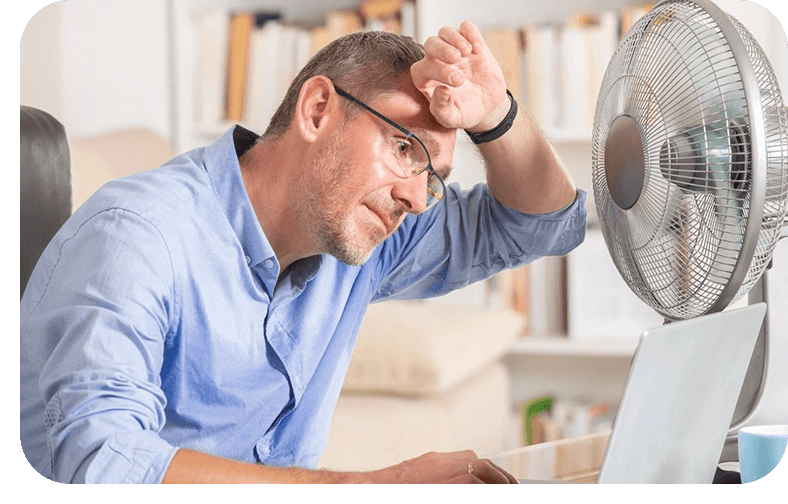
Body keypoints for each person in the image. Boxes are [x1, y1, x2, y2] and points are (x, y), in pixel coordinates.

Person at [20, 21, 585, 483]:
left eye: (432, 178)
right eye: (403, 147)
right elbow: (103, 462)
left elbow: (545, 226)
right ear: (317, 110)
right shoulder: (138, 235)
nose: (417, 197)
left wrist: (496, 116)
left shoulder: (356, 235)